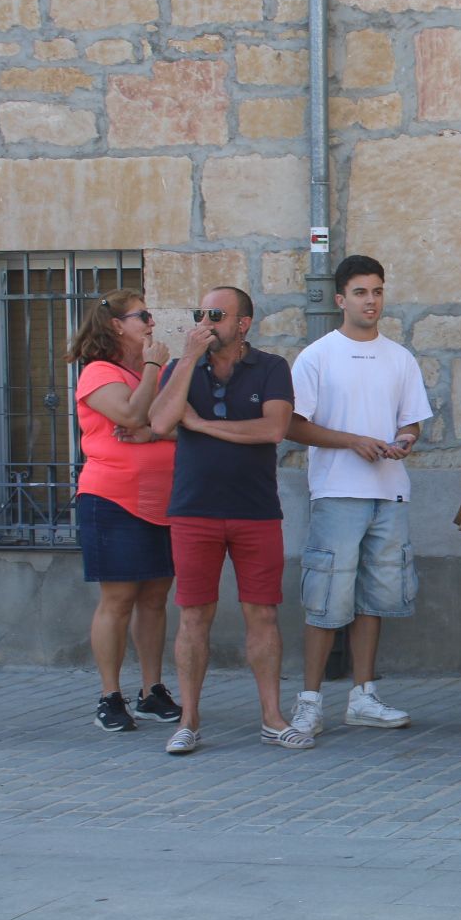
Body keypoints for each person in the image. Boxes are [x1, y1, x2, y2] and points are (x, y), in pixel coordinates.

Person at [284, 255, 432, 742]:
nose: (371, 301)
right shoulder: (317, 356)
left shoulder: (400, 357)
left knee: (375, 598)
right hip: (337, 492)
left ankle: (363, 696)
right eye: (362, 292)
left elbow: (411, 421)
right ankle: (309, 702)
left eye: (378, 291)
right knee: (326, 597)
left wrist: (403, 441)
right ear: (340, 299)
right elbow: (294, 424)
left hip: (388, 492)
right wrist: (353, 441)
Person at [146, 287, 296, 755]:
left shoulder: (271, 368)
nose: (205, 322)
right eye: (199, 313)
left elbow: (273, 429)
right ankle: (189, 720)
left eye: (215, 314)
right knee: (193, 615)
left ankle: (272, 718)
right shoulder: (182, 368)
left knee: (263, 613)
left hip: (255, 511)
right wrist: (188, 358)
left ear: (243, 323)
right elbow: (159, 422)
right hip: (194, 510)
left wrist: (204, 425)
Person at [69, 289, 180, 732]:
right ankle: (109, 696)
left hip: (163, 503)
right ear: (117, 325)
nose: (151, 323)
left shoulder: (155, 374)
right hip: (113, 500)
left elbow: (177, 425)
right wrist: (154, 367)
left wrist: (157, 426)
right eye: (143, 316)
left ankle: (152, 691)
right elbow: (135, 417)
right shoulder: (99, 373)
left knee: (155, 599)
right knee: (118, 601)